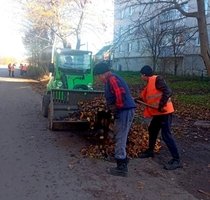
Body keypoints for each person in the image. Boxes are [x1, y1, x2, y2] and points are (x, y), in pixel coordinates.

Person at [93, 61, 136, 177]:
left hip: (124, 111)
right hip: (123, 110)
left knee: (121, 136)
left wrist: (116, 111)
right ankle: (123, 158)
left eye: (98, 76)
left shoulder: (112, 79)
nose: (99, 79)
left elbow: (120, 95)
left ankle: (121, 166)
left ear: (103, 73)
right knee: (119, 134)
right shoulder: (110, 80)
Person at [137, 65, 182, 170]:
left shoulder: (157, 79)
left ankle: (176, 160)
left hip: (165, 112)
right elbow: (145, 97)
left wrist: (161, 105)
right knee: (152, 129)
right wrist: (136, 99)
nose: (141, 77)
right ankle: (150, 151)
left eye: (141, 75)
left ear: (144, 75)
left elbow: (168, 91)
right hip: (159, 113)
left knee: (166, 135)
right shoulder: (149, 84)